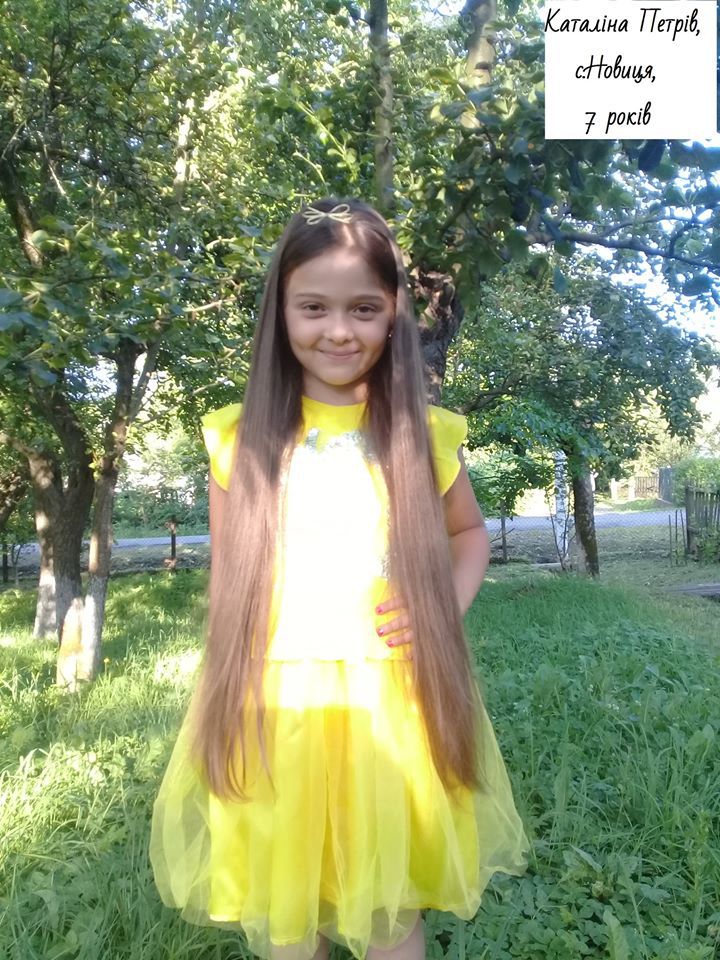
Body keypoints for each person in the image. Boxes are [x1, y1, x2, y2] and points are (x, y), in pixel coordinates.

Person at [149, 197, 530, 960]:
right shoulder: (237, 439)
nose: (338, 330)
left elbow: (469, 535)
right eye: (313, 307)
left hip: (390, 711)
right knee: (289, 916)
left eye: (363, 308)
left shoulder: (424, 435)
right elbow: (230, 578)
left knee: (388, 909)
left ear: (393, 316)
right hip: (275, 707)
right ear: (280, 312)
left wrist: (441, 609)